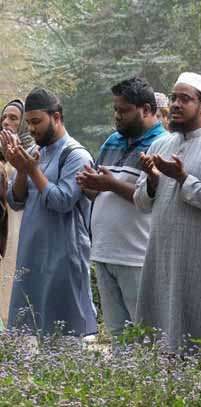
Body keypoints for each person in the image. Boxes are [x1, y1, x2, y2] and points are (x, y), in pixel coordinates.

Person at [133, 72, 201, 352]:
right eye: (173, 98)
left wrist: (182, 178)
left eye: (185, 99)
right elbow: (141, 202)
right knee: (158, 342)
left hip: (200, 264)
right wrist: (154, 182)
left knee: (200, 343)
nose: (176, 104)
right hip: (161, 260)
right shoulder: (159, 145)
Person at [75, 77, 167, 340]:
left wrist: (110, 184)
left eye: (124, 110)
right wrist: (89, 185)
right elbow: (100, 191)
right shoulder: (112, 141)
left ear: (147, 110)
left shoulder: (161, 144)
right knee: (118, 335)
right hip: (104, 252)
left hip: (137, 256)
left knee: (146, 334)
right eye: (116, 109)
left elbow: (153, 198)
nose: (117, 116)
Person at [4, 88, 96, 336]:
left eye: (37, 122)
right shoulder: (35, 152)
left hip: (63, 258)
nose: (31, 129)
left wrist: (33, 171)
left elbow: (62, 201)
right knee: (29, 332)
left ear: (56, 117)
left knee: (64, 337)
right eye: (29, 123)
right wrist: (21, 170)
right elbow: (15, 200)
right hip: (33, 255)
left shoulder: (76, 155)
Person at [0, 99, 32, 326]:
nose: (6, 122)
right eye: (4, 117)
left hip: (20, 224)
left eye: (13, 118)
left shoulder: (31, 153)